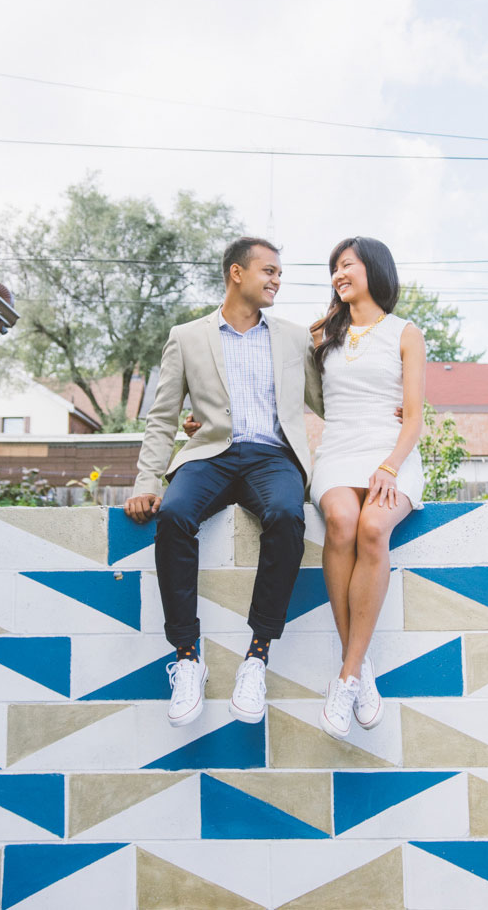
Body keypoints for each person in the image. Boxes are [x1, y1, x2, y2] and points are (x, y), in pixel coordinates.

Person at [125, 237, 323, 728]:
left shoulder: (294, 338)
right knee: (172, 516)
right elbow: (163, 415)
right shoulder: (187, 337)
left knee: (285, 516)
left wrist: (387, 407)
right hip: (210, 455)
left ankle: (256, 658)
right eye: (269, 271)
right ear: (237, 273)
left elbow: (329, 401)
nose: (277, 280)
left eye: (280, 273)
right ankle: (188, 658)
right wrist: (146, 480)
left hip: (273, 458)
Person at [310, 236, 425, 739]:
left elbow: (416, 416)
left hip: (390, 450)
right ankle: (358, 668)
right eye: (334, 268)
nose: (338, 274)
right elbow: (279, 385)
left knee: (374, 528)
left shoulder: (406, 333)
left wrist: (391, 465)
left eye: (347, 265)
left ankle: (347, 674)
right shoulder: (320, 334)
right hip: (336, 449)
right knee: (341, 520)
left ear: (374, 269)